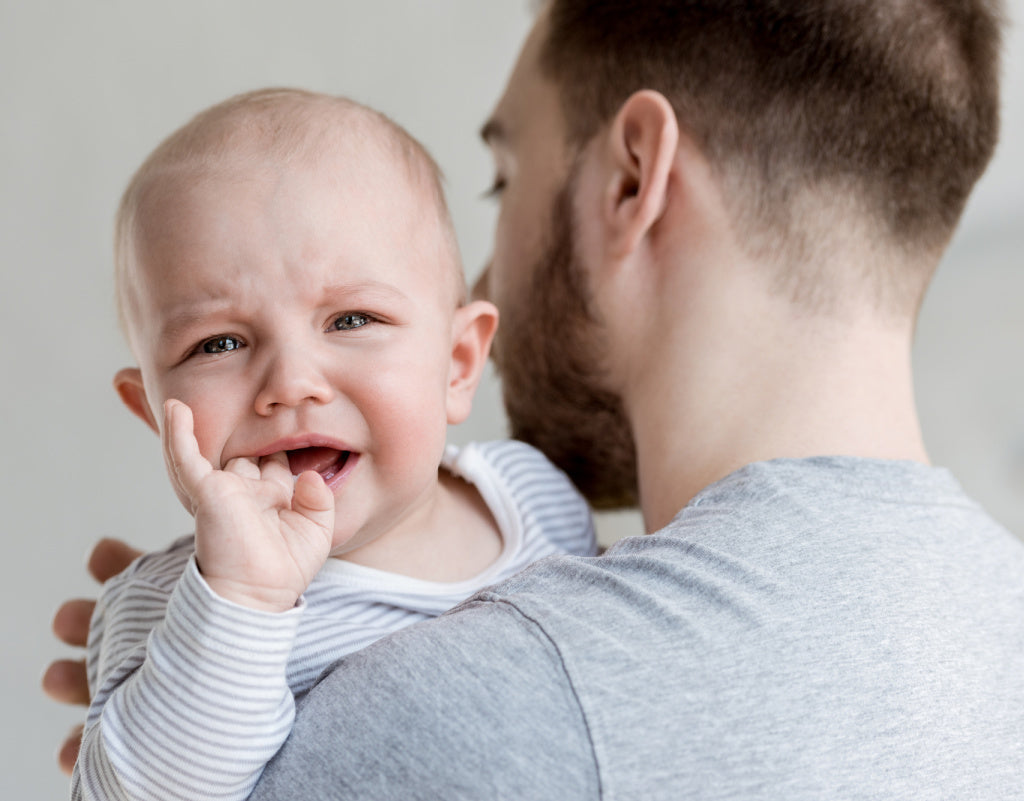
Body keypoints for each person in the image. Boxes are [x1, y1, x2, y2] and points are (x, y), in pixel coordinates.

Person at [48, 1, 1024, 797]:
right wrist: (211, 637)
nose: (295, 382)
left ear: (632, 176)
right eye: (219, 343)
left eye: (501, 178)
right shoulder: (997, 617)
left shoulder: (502, 702)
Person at [66, 87, 596, 801]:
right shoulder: (172, 608)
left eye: (351, 319)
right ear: (157, 415)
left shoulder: (535, 497)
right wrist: (242, 600)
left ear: (458, 363)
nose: (291, 382)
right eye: (218, 342)